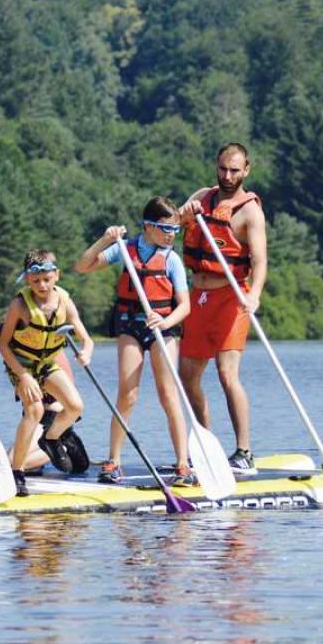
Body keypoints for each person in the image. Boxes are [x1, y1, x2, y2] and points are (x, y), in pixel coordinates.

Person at [75, 196, 194, 486]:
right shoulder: (125, 250)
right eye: (166, 229)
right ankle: (113, 461)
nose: (171, 235)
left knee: (169, 395)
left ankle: (183, 464)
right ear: (147, 227)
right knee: (127, 395)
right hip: (130, 327)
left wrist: (165, 321)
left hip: (162, 331)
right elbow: (83, 265)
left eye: (175, 230)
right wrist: (105, 240)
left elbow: (185, 306)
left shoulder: (172, 259)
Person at [178, 143, 268, 473]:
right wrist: (182, 217)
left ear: (246, 170)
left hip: (231, 298)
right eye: (222, 169)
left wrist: (254, 295)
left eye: (234, 170)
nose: (227, 176)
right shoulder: (202, 196)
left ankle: (244, 452)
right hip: (197, 299)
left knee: (227, 374)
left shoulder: (250, 212)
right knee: (187, 377)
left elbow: (259, 261)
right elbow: (175, 225)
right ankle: (206, 444)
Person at [0, 249, 94, 496]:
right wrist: (24, 376)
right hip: (22, 365)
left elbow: (86, 338)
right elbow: (3, 345)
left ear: (57, 276)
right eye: (35, 280)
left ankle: (50, 439)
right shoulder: (20, 305)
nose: (41, 285)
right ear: (28, 279)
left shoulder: (64, 301)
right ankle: (17, 472)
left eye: (46, 279)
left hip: (46, 364)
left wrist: (86, 352)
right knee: (35, 410)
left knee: (75, 406)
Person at [10, 349, 90, 476]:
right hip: (35, 418)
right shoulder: (19, 352)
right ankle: (58, 445)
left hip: (50, 419)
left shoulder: (52, 352)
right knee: (12, 459)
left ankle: (60, 447)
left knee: (12, 461)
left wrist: (87, 351)